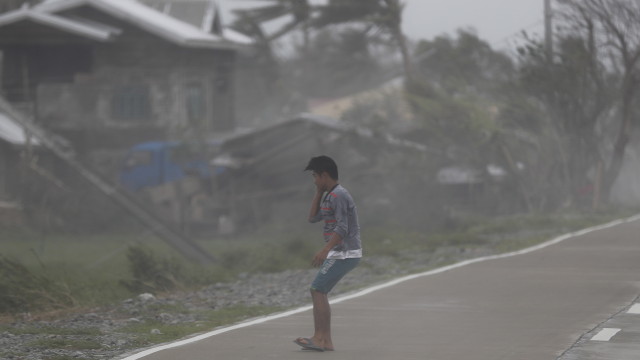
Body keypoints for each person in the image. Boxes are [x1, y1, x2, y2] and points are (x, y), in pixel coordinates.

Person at [294, 155, 362, 352]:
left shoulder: (339, 195)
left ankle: (320, 338)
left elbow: (343, 227)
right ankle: (324, 340)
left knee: (317, 289)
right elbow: (312, 218)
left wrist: (325, 250)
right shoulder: (329, 195)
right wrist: (318, 191)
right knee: (319, 290)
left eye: (315, 176)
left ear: (325, 175)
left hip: (345, 253)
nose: (314, 180)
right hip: (339, 252)